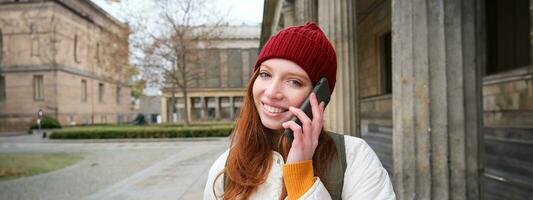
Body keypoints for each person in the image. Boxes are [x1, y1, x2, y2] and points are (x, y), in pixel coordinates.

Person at [204, 22, 395, 200]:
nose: (271, 92)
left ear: (319, 95)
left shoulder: (355, 157)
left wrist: (301, 177)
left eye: (294, 82)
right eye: (265, 74)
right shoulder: (226, 167)